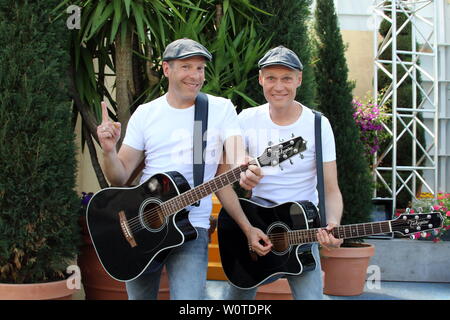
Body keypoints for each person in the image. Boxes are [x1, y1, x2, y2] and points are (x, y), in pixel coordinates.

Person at [96, 38, 269, 300]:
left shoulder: (219, 109)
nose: (195, 75)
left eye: (200, 68)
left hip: (191, 227)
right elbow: (118, 175)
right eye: (186, 67)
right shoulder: (146, 114)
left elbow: (236, 153)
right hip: (140, 226)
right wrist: (109, 150)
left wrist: (245, 165)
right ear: (167, 69)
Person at [225, 45, 344, 300]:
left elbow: (331, 188)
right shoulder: (246, 119)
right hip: (256, 225)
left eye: (287, 78)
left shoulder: (317, 124)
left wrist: (333, 223)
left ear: (299, 80)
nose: (279, 86)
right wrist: (241, 168)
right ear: (260, 80)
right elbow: (231, 163)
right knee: (235, 299)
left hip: (303, 226)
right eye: (271, 78)